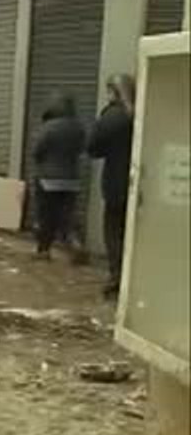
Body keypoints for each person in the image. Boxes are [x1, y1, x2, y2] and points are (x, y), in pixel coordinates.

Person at [87, 73, 136, 299]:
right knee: (131, 233)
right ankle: (131, 277)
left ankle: (116, 278)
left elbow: (93, 147)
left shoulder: (113, 116)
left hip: (117, 185)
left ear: (113, 92)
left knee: (113, 232)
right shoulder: (141, 111)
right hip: (141, 183)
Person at [32, 91, 86, 261]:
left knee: (47, 215)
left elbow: (37, 151)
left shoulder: (49, 126)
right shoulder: (78, 127)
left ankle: (44, 250)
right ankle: (76, 243)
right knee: (67, 215)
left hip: (48, 179)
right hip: (72, 178)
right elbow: (81, 149)